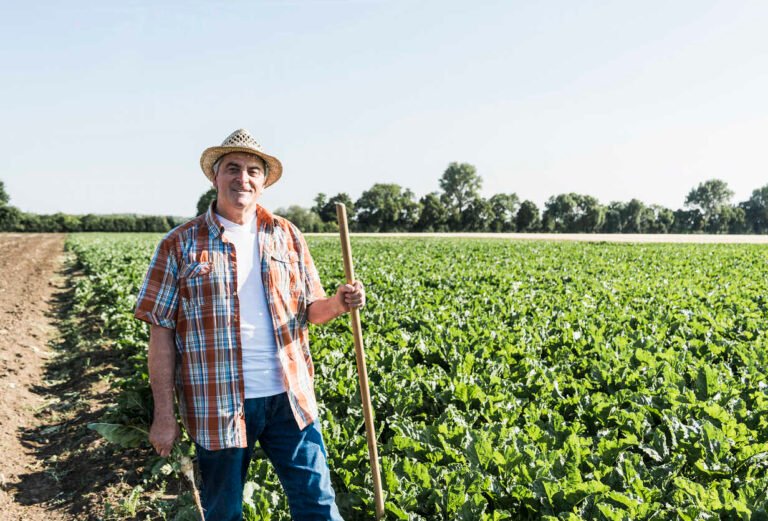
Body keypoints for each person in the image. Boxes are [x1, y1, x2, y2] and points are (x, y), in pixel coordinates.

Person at [134, 128, 364, 521]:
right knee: (223, 512)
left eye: (253, 170)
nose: (244, 178)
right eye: (233, 168)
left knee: (319, 506)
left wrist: (340, 304)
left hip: (289, 399)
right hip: (217, 404)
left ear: (263, 180)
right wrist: (164, 415)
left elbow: (311, 310)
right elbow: (161, 333)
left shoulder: (287, 236)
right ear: (215, 176)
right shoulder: (179, 244)